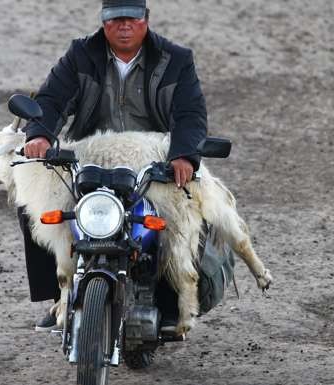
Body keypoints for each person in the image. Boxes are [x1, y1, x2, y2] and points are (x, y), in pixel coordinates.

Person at [19, 0, 208, 330]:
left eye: (132, 18)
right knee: (35, 211)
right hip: (91, 161)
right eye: (115, 19)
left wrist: (184, 154)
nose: (124, 26)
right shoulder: (81, 54)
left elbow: (190, 113)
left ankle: (165, 308)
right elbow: (50, 100)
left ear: (146, 21)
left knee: (180, 220)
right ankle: (59, 301)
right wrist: (40, 134)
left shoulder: (176, 60)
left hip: (151, 163)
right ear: (103, 22)